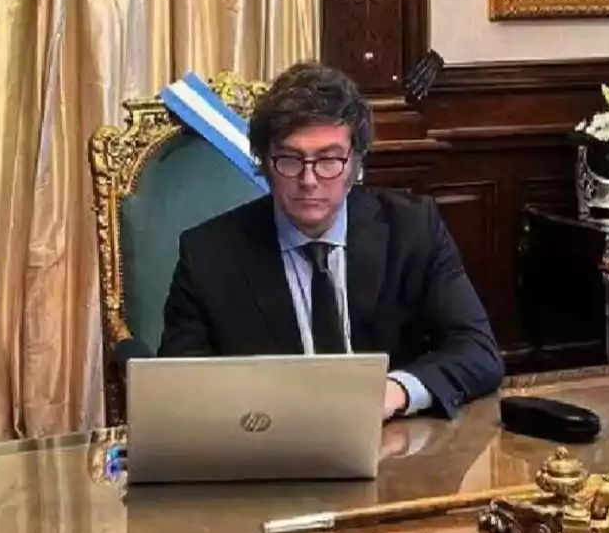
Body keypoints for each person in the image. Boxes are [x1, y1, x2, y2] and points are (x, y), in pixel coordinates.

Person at [157, 62, 504, 420]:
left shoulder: (413, 229)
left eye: (328, 160)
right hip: (267, 451)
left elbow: (478, 350)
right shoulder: (208, 255)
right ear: (263, 162)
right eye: (290, 160)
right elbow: (180, 390)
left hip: (395, 450)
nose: (309, 180)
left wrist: (395, 390)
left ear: (355, 164)